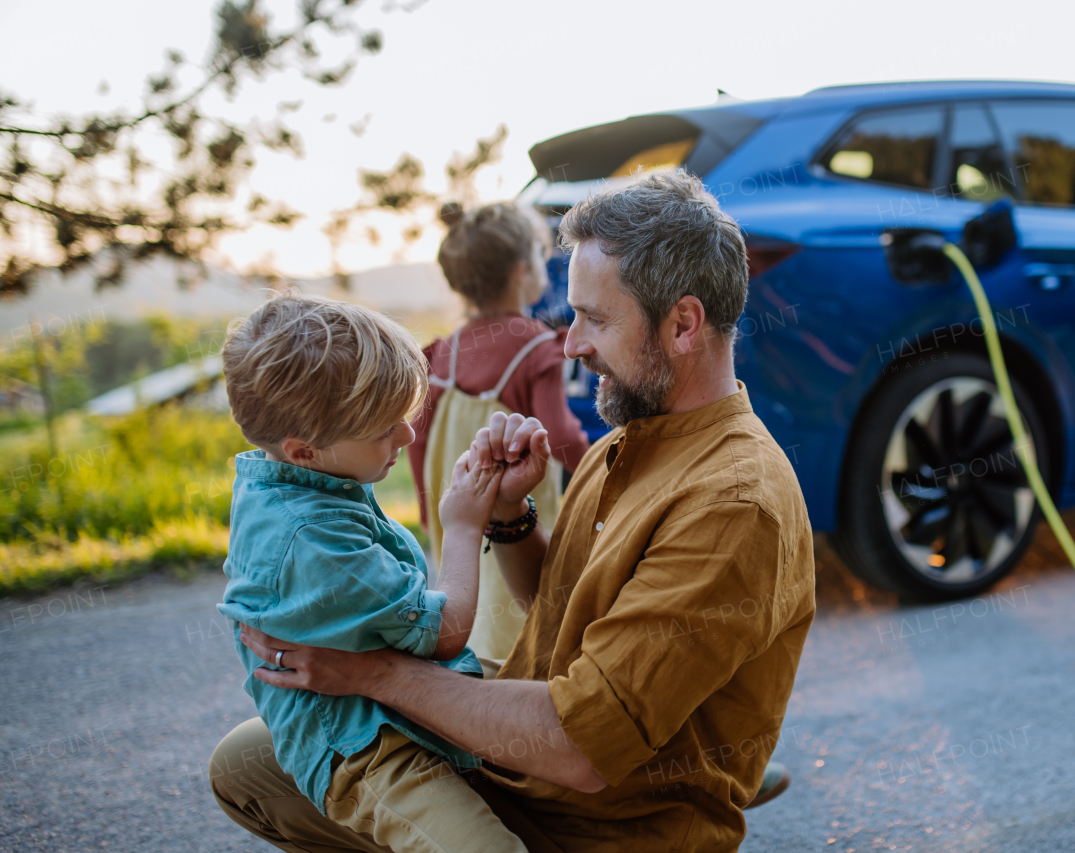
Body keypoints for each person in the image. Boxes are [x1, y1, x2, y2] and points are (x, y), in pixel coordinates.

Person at [211, 169, 816, 852]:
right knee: (250, 761)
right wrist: (509, 517)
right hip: (517, 777)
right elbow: (560, 601)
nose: (571, 344)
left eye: (596, 319)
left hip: (598, 825)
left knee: (338, 757)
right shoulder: (630, 438)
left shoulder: (735, 502)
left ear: (682, 324)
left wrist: (372, 672)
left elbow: (579, 747)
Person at [215, 291, 528, 852]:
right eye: (386, 430)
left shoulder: (290, 479)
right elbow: (447, 630)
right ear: (304, 450)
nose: (407, 437)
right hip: (366, 749)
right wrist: (460, 525)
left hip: (387, 707)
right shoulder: (312, 538)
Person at [409, 201, 589, 660]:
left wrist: (430, 509)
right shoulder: (533, 345)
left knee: (467, 601)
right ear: (520, 269)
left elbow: (418, 442)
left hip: (458, 506)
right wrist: (601, 468)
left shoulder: (443, 351)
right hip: (515, 512)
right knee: (523, 613)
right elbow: (561, 435)